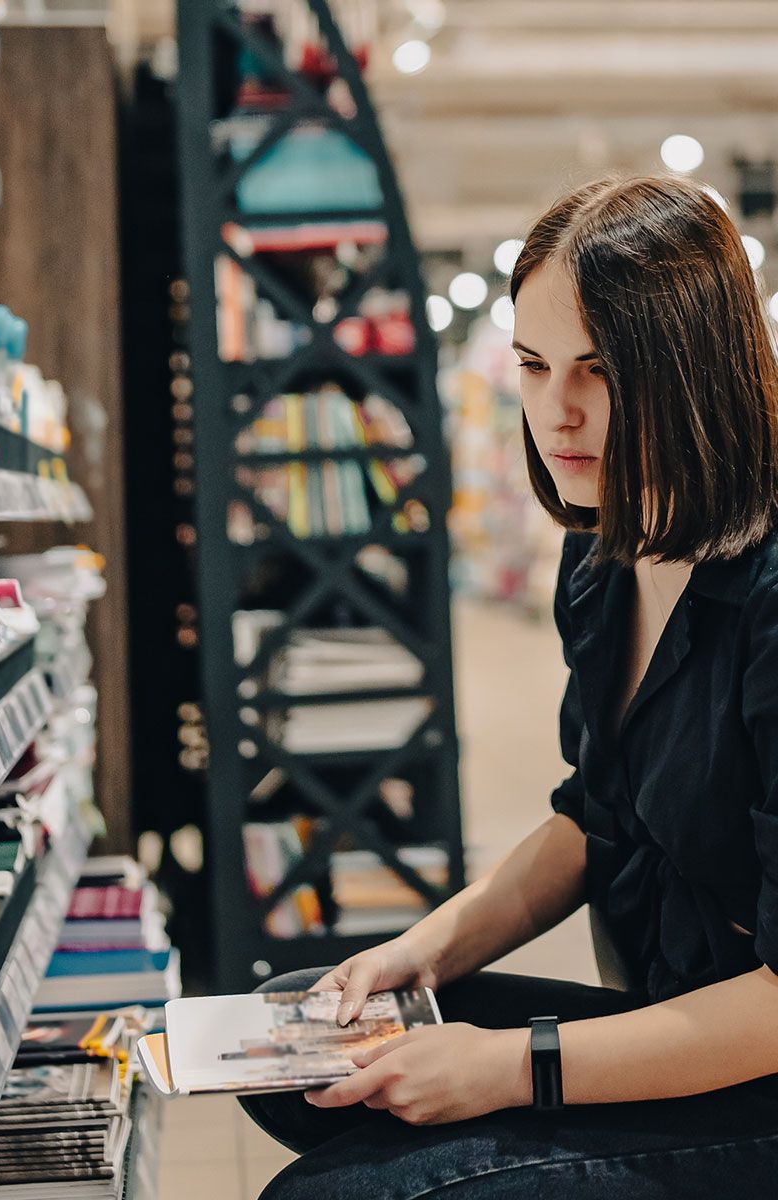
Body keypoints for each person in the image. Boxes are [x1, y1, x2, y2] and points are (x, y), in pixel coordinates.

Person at [239, 173, 778, 1198]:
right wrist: (421, 955)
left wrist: (510, 1068)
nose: (555, 412)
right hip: (678, 1016)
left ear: (691, 370)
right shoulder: (609, 551)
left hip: (756, 1062)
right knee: (300, 1040)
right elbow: (591, 819)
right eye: (532, 366)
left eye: (600, 371)